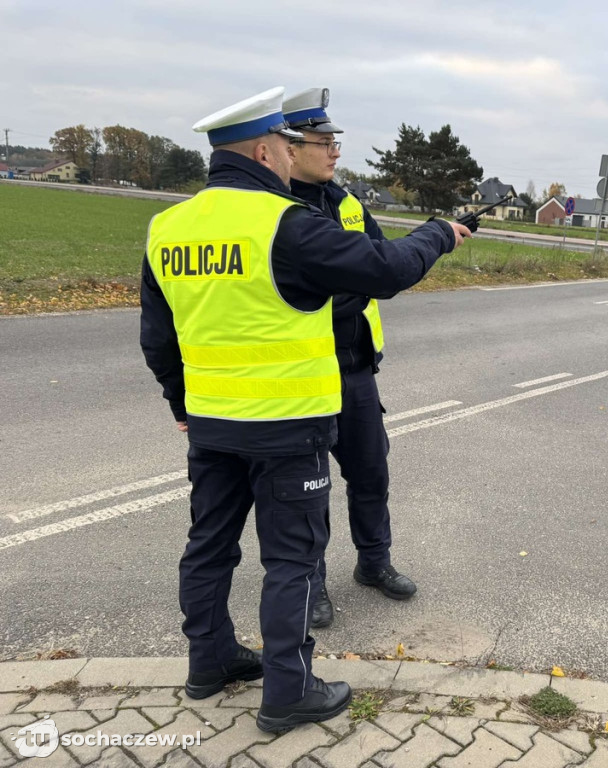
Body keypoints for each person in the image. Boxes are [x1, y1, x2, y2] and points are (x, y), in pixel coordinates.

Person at [140, 87, 470, 733]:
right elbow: (384, 267)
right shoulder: (283, 223)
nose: (295, 158)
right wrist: (437, 234)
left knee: (208, 547)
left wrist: (182, 402)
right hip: (288, 425)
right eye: (290, 147)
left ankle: (210, 663)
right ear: (265, 150)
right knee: (290, 560)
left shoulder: (168, 227)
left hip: (211, 421)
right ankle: (288, 691)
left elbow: (158, 334)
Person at [281, 88, 411, 631]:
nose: (334, 151)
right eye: (322, 141)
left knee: (370, 474)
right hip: (304, 377)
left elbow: (381, 262)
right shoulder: (279, 209)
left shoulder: (348, 203)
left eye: (336, 141)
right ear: (288, 146)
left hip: (355, 372)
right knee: (309, 491)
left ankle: (374, 563)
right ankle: (312, 586)